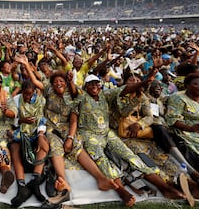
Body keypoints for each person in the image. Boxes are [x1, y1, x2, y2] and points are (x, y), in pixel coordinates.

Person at [15, 55, 117, 207]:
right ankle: (64, 184)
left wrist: (70, 137)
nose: (58, 83)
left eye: (61, 81)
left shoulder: (73, 95)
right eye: (55, 81)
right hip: (50, 127)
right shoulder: (49, 91)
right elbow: (36, 81)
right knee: (55, 147)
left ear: (66, 82)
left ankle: (100, 178)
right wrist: (26, 65)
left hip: (66, 127)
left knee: (76, 146)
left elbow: (74, 118)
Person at [77, 74, 186, 207]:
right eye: (90, 84)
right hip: (94, 134)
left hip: (109, 133)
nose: (94, 86)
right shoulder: (82, 97)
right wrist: (144, 82)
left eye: (96, 83)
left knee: (131, 156)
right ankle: (121, 191)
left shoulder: (106, 95)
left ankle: (165, 187)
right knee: (101, 159)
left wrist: (139, 122)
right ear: (85, 86)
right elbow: (123, 111)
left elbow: (148, 115)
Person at [9, 80, 50, 207]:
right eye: (26, 94)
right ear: (22, 91)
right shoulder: (16, 99)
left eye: (30, 94)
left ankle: (35, 181)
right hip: (20, 131)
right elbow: (11, 118)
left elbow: (42, 119)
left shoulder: (39, 100)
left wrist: (41, 135)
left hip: (35, 131)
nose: (28, 97)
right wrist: (21, 120)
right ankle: (21, 186)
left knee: (44, 145)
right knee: (14, 146)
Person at [166, 72, 199, 172]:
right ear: (187, 86)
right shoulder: (178, 98)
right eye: (195, 84)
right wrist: (190, 128)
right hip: (187, 132)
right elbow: (172, 119)